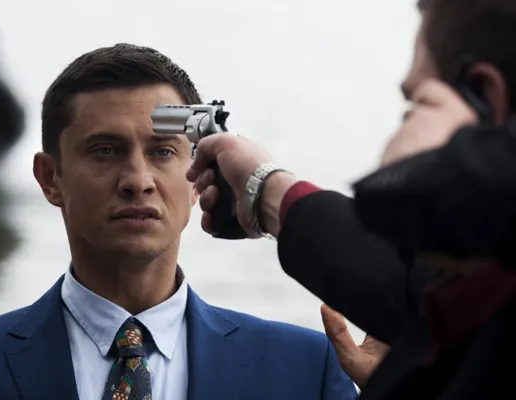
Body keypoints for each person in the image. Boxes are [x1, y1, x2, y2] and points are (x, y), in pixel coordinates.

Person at [0, 44, 357, 400]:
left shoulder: (304, 370)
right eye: (105, 150)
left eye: (162, 151)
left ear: (198, 175)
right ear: (50, 178)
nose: (137, 180)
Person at [187, 0, 516, 398]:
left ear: (484, 96)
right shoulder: (477, 286)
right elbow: (394, 279)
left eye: (417, 103)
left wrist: (412, 185)